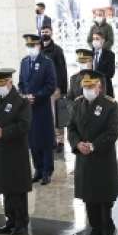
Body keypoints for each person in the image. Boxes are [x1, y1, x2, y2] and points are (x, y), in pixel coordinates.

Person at [68, 70, 118, 235]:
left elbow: (112, 132)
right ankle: (95, 232)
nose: (87, 90)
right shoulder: (77, 104)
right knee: (89, 198)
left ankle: (107, 234)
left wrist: (93, 145)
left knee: (104, 199)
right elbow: (72, 128)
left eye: (91, 86)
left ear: (99, 87)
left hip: (102, 158)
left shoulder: (110, 105)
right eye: (85, 87)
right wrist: (77, 144)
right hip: (84, 159)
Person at [0, 69, 32, 235]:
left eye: (2, 84)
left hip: (15, 152)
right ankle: (10, 221)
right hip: (0, 151)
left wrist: (3, 132)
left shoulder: (21, 101)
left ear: (10, 83)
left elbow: (24, 125)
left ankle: (21, 223)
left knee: (17, 188)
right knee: (5, 187)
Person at [18, 34, 56, 186]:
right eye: (28, 46)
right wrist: (23, 95)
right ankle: (38, 169)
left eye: (33, 46)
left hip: (42, 106)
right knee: (32, 140)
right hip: (28, 107)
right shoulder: (24, 62)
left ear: (39, 46)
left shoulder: (47, 62)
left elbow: (51, 85)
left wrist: (36, 96)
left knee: (45, 139)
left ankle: (47, 171)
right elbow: (21, 82)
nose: (30, 48)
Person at [40, 25, 68, 153]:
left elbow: (62, 71)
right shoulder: (38, 49)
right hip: (42, 89)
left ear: (51, 33)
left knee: (57, 116)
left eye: (46, 31)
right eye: (42, 32)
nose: (44, 34)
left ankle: (60, 141)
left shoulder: (57, 50)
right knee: (46, 116)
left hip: (54, 89)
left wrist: (62, 89)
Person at [91, 31, 116, 97]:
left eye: (97, 39)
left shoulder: (110, 55)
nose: (95, 41)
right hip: (91, 88)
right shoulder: (89, 54)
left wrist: (97, 79)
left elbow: (111, 73)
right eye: (93, 39)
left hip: (105, 88)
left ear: (103, 40)